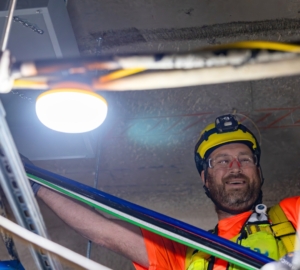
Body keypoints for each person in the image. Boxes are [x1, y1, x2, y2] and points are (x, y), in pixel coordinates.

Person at [31, 114, 299, 270]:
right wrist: (33, 181)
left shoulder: (291, 214)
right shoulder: (187, 251)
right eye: (221, 161)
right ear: (205, 179)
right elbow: (103, 232)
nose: (235, 167)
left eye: (246, 158)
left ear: (260, 173)